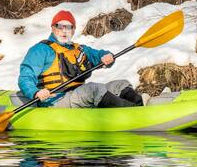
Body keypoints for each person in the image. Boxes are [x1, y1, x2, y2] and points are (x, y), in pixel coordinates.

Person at [16, 10, 145, 108]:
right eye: (60, 26)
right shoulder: (40, 50)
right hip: (55, 99)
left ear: (73, 30)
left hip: (77, 94)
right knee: (94, 89)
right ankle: (132, 113)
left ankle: (139, 106)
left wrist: (106, 56)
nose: (64, 31)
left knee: (121, 84)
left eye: (69, 27)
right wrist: (36, 92)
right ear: (53, 28)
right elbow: (25, 77)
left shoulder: (79, 49)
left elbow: (98, 54)